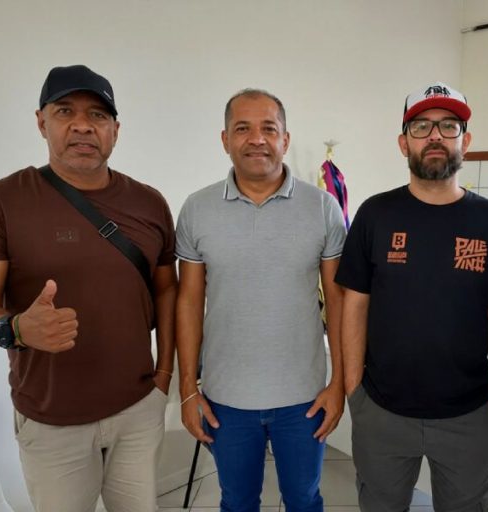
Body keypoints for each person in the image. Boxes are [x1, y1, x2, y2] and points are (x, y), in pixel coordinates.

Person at [0, 65, 177, 512]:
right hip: (51, 420)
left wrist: (165, 377)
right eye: (65, 111)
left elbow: (168, 294)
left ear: (115, 130)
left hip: (137, 409)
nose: (82, 125)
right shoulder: (0, 201)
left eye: (97, 115)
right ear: (41, 122)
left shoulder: (150, 202)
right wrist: (14, 328)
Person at [335, 82, 488, 511]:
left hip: (470, 415)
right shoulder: (375, 214)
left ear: (467, 140)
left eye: (448, 125)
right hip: (382, 412)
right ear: (403, 143)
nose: (436, 136)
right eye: (422, 126)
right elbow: (355, 304)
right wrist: (354, 389)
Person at [175, 88, 346, 511]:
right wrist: (186, 391)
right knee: (236, 502)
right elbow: (189, 304)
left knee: (305, 500)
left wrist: (338, 383)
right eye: (243, 129)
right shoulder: (197, 209)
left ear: (285, 139)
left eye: (269, 128)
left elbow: (340, 302)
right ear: (225, 139)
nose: (257, 139)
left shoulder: (323, 207)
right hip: (225, 400)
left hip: (304, 399)